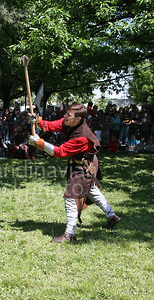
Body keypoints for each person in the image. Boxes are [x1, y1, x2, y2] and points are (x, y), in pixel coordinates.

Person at [27, 103, 121, 243]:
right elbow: (51, 125)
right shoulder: (69, 122)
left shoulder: (82, 137)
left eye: (68, 115)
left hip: (84, 166)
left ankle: (69, 235)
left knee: (71, 197)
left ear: (78, 119)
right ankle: (112, 216)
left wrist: (40, 143)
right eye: (66, 113)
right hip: (81, 163)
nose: (65, 116)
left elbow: (60, 152)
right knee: (91, 189)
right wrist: (38, 121)